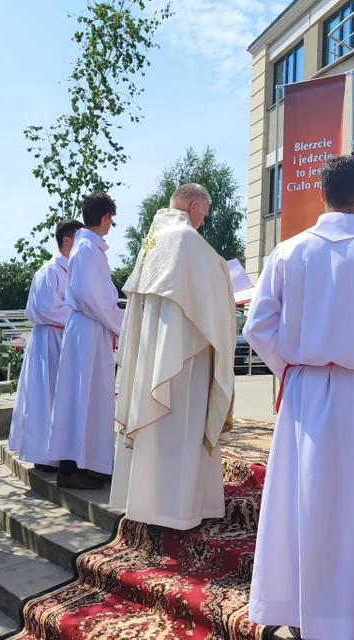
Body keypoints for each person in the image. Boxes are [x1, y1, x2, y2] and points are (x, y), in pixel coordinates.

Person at [243, 155, 354, 640]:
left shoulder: (288, 252)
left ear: (320, 193)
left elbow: (257, 326)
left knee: (305, 502)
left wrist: (293, 366)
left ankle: (304, 612)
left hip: (304, 392)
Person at [110, 184, 236, 530]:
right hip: (184, 354)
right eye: (204, 216)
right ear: (194, 206)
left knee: (157, 430)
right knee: (182, 426)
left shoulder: (153, 239)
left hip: (155, 351)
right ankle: (178, 510)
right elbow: (215, 276)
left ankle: (147, 504)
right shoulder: (185, 238)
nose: (203, 223)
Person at [47, 192, 124, 490]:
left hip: (89, 328)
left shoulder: (85, 249)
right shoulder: (89, 250)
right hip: (90, 327)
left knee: (89, 397)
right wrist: (123, 323)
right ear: (105, 217)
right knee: (83, 397)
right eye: (111, 221)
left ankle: (86, 462)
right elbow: (97, 298)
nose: (110, 226)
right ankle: (71, 467)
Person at [8, 219, 83, 471]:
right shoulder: (50, 270)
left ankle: (60, 450)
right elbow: (45, 307)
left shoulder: (68, 269)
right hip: (51, 339)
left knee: (58, 396)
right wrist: (84, 316)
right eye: (79, 239)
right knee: (48, 395)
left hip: (61, 336)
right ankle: (45, 455)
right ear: (67, 240)